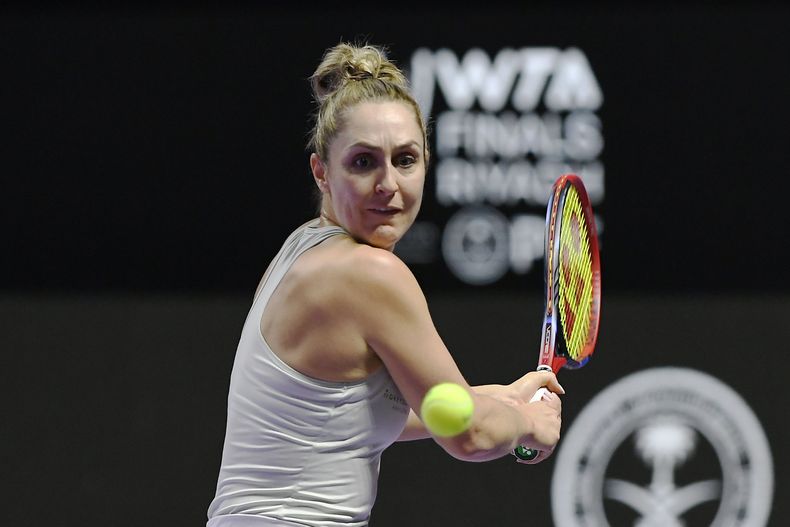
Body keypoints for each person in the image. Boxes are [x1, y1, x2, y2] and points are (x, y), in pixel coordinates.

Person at [206, 42, 563, 527]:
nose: (388, 184)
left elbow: (348, 418)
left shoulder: (301, 248)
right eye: (363, 162)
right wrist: (528, 424)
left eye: (405, 159)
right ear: (322, 172)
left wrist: (500, 397)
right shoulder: (369, 274)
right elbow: (468, 435)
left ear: (426, 163)